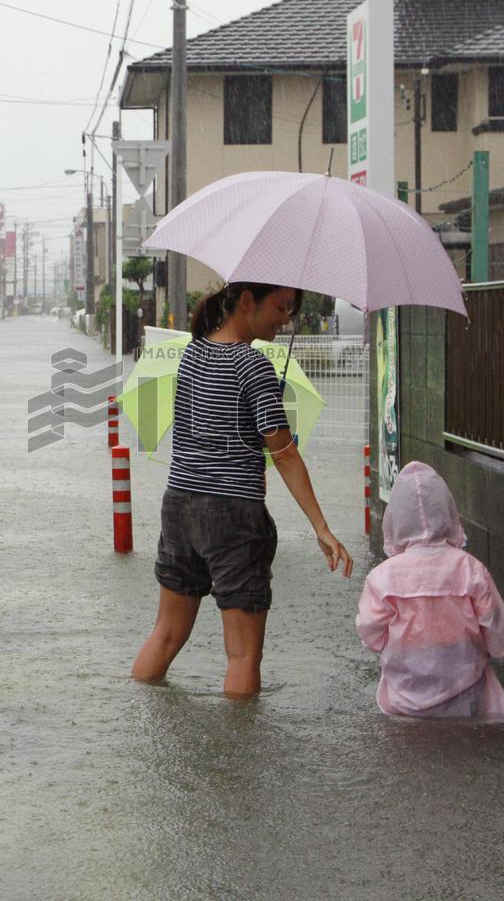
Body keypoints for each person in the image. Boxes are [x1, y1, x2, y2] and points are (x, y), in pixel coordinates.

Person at [131, 282, 353, 698]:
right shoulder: (253, 366)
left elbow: (210, 434)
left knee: (164, 636)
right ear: (247, 301)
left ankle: (144, 719)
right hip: (232, 515)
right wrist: (321, 527)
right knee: (243, 656)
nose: (287, 318)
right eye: (282, 306)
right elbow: (284, 453)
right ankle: (238, 756)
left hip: (179, 507)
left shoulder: (192, 352)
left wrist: (250, 451)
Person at [356, 461, 504, 720]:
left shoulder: (383, 578)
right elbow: (500, 632)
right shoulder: (470, 569)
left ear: (395, 519)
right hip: (469, 699)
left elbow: (370, 634)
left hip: (403, 701)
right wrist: (501, 650)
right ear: (448, 512)